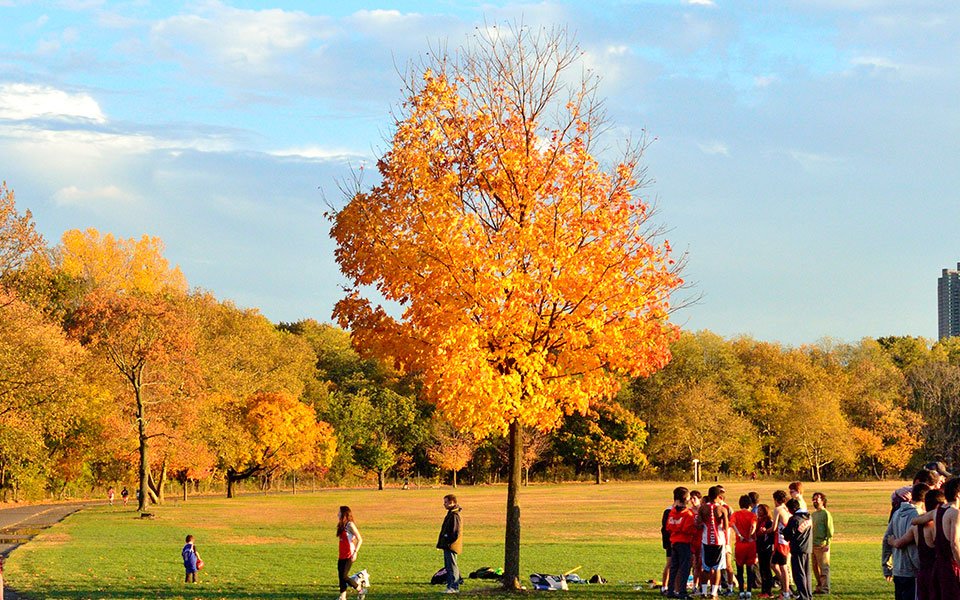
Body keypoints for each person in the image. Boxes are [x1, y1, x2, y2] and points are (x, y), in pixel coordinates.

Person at [888, 488, 944, 600]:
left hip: (922, 573)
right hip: (935, 572)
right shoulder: (937, 525)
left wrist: (892, 541)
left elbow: (899, 543)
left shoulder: (916, 526)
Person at [882, 483, 928, 600]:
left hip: (898, 569)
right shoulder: (918, 516)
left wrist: (886, 566)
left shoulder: (897, 513)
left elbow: (887, 538)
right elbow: (913, 544)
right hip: (912, 571)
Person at [697, 485, 729, 599]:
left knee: (706, 568)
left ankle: (704, 592)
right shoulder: (722, 509)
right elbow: (726, 527)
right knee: (717, 568)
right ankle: (714, 593)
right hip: (719, 541)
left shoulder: (702, 508)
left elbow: (698, 525)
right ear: (719, 496)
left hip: (706, 541)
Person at [666, 486, 698, 599]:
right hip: (684, 542)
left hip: (674, 541)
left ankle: (671, 590)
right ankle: (682, 591)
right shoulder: (687, 514)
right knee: (684, 568)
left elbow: (669, 527)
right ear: (686, 499)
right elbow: (688, 529)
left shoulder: (672, 512)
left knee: (674, 567)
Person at [782, 498, 812, 600]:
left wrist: (783, 531)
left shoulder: (794, 519)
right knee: (807, 573)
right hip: (807, 547)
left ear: (792, 509)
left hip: (797, 548)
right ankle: (808, 595)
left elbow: (787, 535)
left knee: (799, 574)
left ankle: (803, 596)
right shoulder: (808, 517)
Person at [337, 506, 367, 600]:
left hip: (349, 555)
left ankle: (360, 590)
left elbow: (360, 539)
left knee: (344, 576)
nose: (337, 514)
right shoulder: (342, 525)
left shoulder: (350, 525)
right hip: (341, 555)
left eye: (339, 513)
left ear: (344, 514)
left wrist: (355, 552)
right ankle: (343, 597)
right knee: (341, 577)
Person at [731, 494, 758, 598]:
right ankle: (749, 591)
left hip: (740, 544)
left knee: (739, 568)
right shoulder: (752, 515)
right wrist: (750, 535)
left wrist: (739, 534)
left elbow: (732, 524)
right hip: (750, 544)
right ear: (750, 505)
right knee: (750, 568)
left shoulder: (736, 514)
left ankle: (741, 590)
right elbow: (753, 525)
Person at [437, 494, 463, 594]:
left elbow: (455, 532)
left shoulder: (455, 515)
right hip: (447, 545)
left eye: (446, 502)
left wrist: (447, 540)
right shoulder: (450, 514)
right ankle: (450, 586)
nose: (444, 504)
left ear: (452, 502)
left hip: (451, 546)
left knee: (452, 566)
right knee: (448, 566)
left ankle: (454, 587)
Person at [810, 492, 833, 594]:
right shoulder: (813, 514)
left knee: (824, 568)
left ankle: (825, 588)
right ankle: (819, 586)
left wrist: (828, 543)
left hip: (822, 545)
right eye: (813, 499)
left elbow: (830, 530)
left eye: (817, 499)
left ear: (822, 501)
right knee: (815, 568)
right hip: (813, 545)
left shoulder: (826, 514)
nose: (815, 501)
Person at [771, 490, 792, 599]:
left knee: (783, 567)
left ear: (775, 499)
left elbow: (774, 528)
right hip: (785, 541)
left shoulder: (778, 509)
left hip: (781, 541)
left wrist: (764, 531)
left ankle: (787, 591)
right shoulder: (787, 509)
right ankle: (785, 588)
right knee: (774, 564)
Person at [755, 504, 776, 599]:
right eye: (758, 510)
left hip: (766, 549)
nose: (758, 512)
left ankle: (769, 591)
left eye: (761, 510)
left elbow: (771, 537)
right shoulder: (759, 521)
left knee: (766, 570)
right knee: (762, 570)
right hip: (760, 548)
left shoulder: (768, 522)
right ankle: (764, 590)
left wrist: (766, 546)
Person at [662, 500, 675, 595]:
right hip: (671, 542)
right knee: (670, 564)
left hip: (679, 542)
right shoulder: (669, 511)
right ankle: (664, 587)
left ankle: (674, 587)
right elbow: (665, 529)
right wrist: (667, 543)